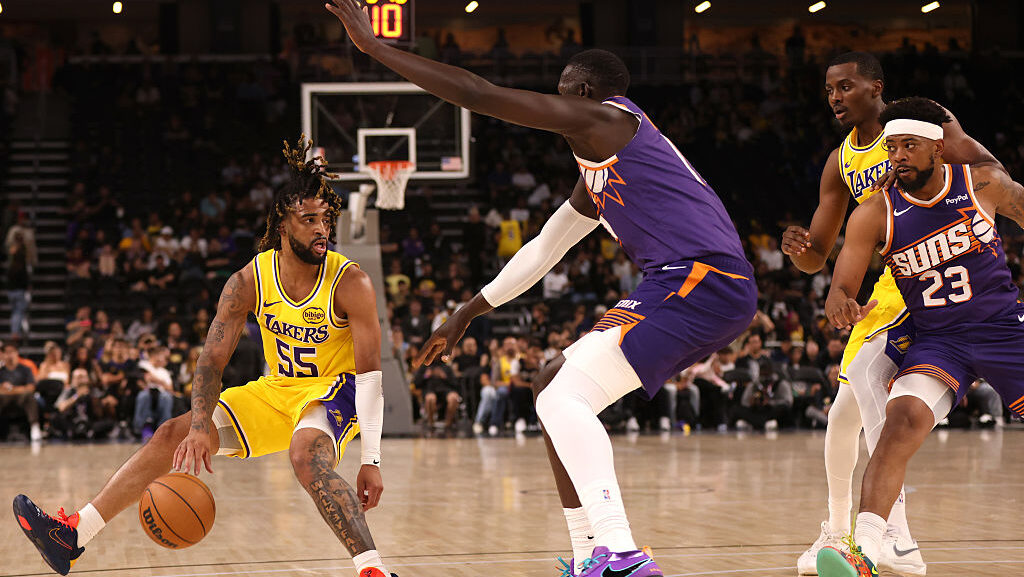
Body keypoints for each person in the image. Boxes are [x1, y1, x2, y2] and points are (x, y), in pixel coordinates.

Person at [326, 4, 755, 575]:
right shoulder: (600, 167)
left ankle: (621, 550)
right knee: (549, 381)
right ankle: (589, 554)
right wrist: (467, 311)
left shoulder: (608, 122)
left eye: (560, 94)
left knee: (562, 398)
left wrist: (376, 49)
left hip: (704, 279)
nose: (555, 107)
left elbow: (478, 93)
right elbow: (546, 247)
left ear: (582, 91)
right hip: (692, 284)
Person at [13, 137, 397, 577]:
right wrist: (198, 428)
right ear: (282, 223)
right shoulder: (248, 281)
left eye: (326, 219)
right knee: (169, 435)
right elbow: (211, 362)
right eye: (308, 219)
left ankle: (374, 570)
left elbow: (371, 379)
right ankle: (73, 536)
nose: (321, 229)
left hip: (335, 390)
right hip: (276, 391)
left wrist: (371, 459)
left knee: (305, 453)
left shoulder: (351, 282)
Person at [780, 52, 1002, 577]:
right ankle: (839, 532)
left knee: (869, 379)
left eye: (846, 86)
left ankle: (893, 535)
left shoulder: (924, 127)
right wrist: (800, 251)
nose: (835, 96)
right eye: (829, 89)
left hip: (943, 273)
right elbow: (819, 256)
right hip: (890, 286)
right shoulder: (841, 163)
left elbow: (992, 174)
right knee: (843, 415)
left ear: (875, 87)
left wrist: (968, 227)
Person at [816, 97, 1024, 577]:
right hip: (938, 338)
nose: (899, 156)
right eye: (892, 148)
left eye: (910, 145)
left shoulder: (982, 184)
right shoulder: (874, 212)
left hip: (1001, 329)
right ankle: (865, 548)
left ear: (938, 148)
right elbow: (841, 285)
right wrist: (841, 302)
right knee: (901, 418)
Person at [0, 342, 41, 441]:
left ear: (17, 353)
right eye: (7, 352)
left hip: (21, 398)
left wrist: (11, 389)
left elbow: (31, 387)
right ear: (3, 354)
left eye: (12, 352)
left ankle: (34, 426)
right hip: (4, 399)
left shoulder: (25, 370)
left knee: (29, 396)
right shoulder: (1, 371)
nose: (10, 355)